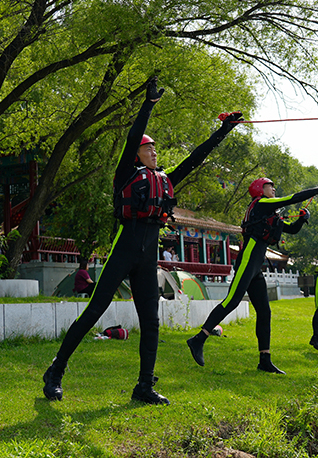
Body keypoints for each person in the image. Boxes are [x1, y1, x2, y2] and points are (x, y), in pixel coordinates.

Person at [41, 75, 242, 404]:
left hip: (149, 257)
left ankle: (144, 386)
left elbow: (195, 158)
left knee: (151, 321)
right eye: (148, 148)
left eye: (153, 148)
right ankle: (56, 371)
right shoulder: (126, 175)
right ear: (137, 154)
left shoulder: (164, 179)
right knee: (94, 311)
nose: (153, 151)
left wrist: (223, 130)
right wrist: (148, 104)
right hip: (124, 250)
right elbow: (134, 134)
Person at [186, 178, 318, 374]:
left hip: (256, 266)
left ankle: (264, 359)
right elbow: (292, 198)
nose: (274, 188)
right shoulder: (260, 204)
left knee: (265, 311)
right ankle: (198, 339)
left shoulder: (270, 213)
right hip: (248, 259)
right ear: (261, 189)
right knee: (232, 300)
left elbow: (291, 229)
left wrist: (302, 219)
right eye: (270, 186)